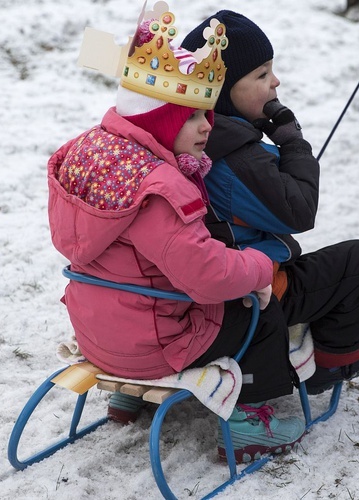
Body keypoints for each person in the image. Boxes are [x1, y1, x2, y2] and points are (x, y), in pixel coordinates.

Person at [48, 8, 306, 463]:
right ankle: (251, 423)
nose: (208, 126)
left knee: (135, 277)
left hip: (96, 333)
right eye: (192, 118)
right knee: (255, 310)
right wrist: (261, 266)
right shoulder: (159, 188)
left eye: (207, 114)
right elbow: (207, 276)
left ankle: (128, 398)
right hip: (155, 345)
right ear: (163, 121)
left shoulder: (91, 155)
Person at [182, 11, 359, 395]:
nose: (275, 82)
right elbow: (298, 210)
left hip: (196, 289)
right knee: (358, 264)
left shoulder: (185, 139)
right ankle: (330, 364)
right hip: (249, 295)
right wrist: (292, 142)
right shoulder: (235, 157)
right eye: (260, 75)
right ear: (222, 92)